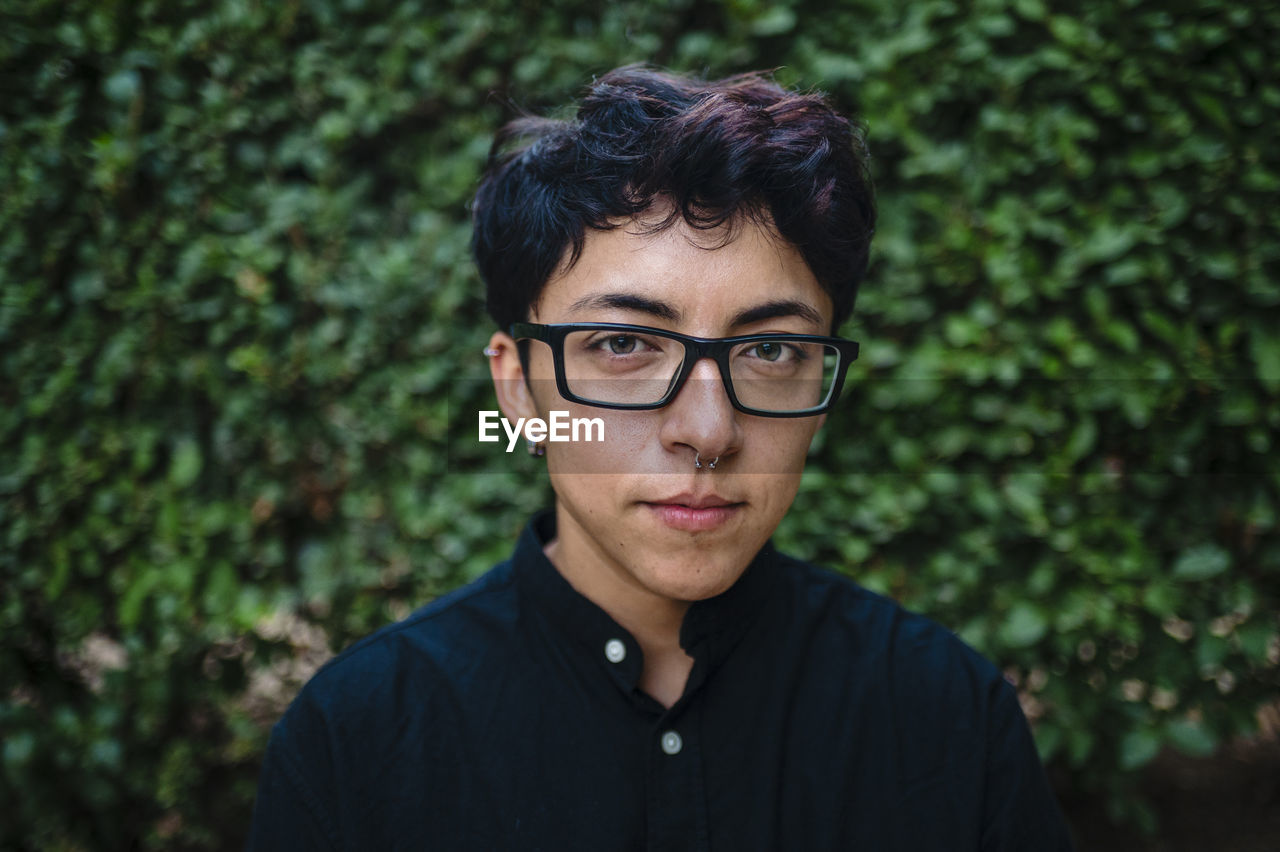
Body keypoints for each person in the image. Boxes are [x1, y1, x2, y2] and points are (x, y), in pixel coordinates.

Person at [247, 65, 1074, 850]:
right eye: (622, 343)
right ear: (519, 391)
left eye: (775, 352)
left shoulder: (947, 719)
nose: (707, 431)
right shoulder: (356, 744)